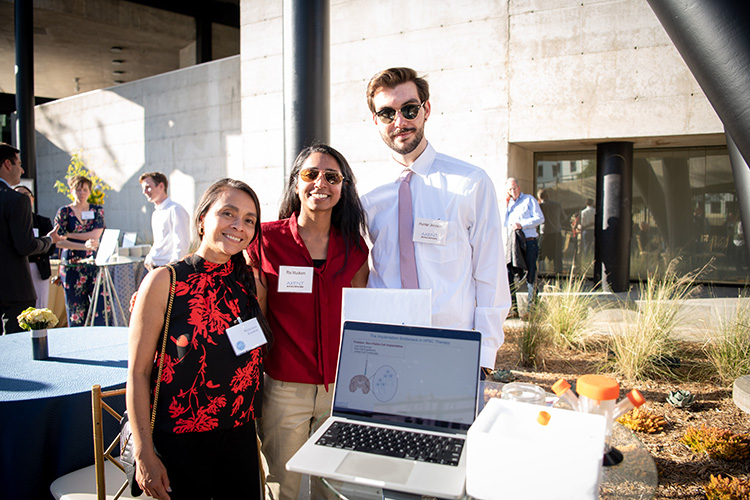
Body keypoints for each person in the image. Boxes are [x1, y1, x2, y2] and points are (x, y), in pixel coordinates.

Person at [127, 178, 271, 500]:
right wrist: (144, 455)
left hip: (240, 438)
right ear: (202, 219)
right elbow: (137, 374)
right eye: (228, 213)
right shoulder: (166, 281)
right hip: (180, 443)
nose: (239, 226)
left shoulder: (251, 285)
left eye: (249, 220)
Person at [360, 67, 511, 371]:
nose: (400, 122)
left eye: (409, 109)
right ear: (376, 120)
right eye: (387, 114)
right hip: (385, 348)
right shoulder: (365, 193)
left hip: (452, 348)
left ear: (426, 110)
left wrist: (484, 353)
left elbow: (491, 274)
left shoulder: (470, 182)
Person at [249, 144, 369, 500]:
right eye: (311, 174)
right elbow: (254, 312)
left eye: (332, 177)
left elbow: (358, 318)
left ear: (342, 187)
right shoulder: (266, 240)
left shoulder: (355, 248)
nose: (321, 183)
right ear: (296, 183)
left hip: (341, 390)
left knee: (332, 488)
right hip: (285, 389)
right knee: (281, 489)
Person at [0, 143, 64, 333]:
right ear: (7, 164)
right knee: (15, 347)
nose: (22, 169)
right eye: (19, 163)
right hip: (13, 287)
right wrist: (49, 240)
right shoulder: (16, 199)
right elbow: (25, 245)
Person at [54, 175, 105, 326]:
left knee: (100, 305)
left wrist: (69, 235)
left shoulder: (97, 210)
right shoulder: (64, 212)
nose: (81, 192)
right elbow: (58, 240)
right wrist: (83, 245)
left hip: (93, 264)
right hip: (71, 266)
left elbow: (96, 234)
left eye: (85, 189)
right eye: (78, 189)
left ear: (89, 191)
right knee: (75, 309)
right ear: (71, 190)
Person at [505, 178, 544, 315]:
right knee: (509, 274)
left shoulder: (529, 200)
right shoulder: (508, 205)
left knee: (531, 275)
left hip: (529, 242)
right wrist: (505, 205)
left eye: (514, 188)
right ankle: (513, 308)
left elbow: (540, 218)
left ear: (519, 187)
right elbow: (504, 224)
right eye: (510, 189)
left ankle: (531, 310)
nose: (513, 191)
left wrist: (522, 224)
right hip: (513, 243)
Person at [14, 185, 55, 309]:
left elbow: (51, 246)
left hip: (39, 268)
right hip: (17, 268)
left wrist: (33, 249)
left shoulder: (42, 221)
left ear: (32, 199)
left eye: (26, 196)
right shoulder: (10, 222)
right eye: (18, 196)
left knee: (40, 306)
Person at [139, 172, 191, 271]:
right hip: (154, 268)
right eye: (143, 188)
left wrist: (172, 268)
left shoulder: (175, 210)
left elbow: (182, 244)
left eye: (148, 187)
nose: (144, 192)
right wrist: (149, 259)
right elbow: (158, 242)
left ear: (161, 186)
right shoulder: (156, 213)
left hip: (168, 269)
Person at [537, 189, 566, 275]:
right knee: (557, 256)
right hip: (556, 233)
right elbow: (564, 218)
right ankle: (558, 274)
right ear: (547, 195)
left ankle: (540, 273)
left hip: (545, 233)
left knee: (540, 256)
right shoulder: (557, 205)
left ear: (539, 197)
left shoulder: (540, 207)